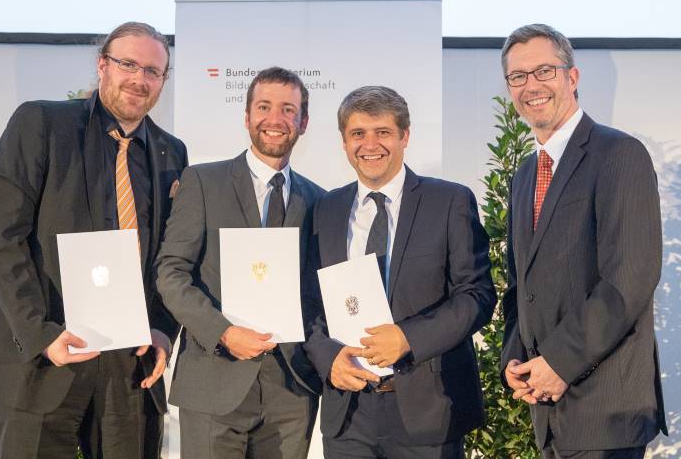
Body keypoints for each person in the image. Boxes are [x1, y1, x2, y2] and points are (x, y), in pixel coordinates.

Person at [0, 22, 188, 458]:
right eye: (128, 64)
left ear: (163, 81)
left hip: (130, 365)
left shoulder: (171, 152)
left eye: (153, 71)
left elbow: (171, 254)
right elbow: (4, 238)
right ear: (102, 65)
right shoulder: (42, 123)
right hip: (44, 356)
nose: (139, 79)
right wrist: (41, 333)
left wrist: (162, 329)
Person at [500, 23, 667, 458]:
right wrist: (513, 363)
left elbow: (629, 279)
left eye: (543, 71)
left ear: (571, 78)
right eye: (518, 76)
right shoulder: (523, 177)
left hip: (607, 415)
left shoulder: (618, 154)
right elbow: (522, 285)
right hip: (549, 413)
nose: (530, 86)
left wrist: (559, 362)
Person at [304, 86, 496, 458]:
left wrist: (408, 338)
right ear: (344, 142)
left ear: (405, 136)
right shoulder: (325, 209)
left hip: (428, 411)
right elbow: (309, 301)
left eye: (383, 132)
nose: (370, 144)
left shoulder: (449, 201)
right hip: (349, 413)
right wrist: (328, 358)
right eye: (358, 133)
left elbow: (477, 295)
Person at [156, 66, 324, 459]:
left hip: (291, 388)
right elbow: (171, 272)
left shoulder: (319, 200)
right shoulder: (201, 182)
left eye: (288, 109)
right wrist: (223, 331)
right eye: (264, 107)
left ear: (303, 123)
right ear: (247, 117)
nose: (275, 119)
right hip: (214, 379)